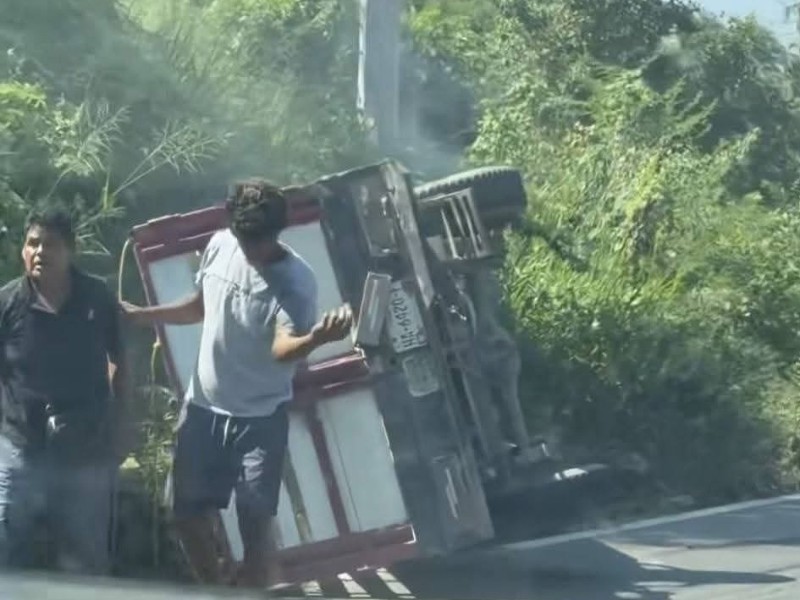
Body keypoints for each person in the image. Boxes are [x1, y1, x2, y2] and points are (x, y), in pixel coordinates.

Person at [122, 179, 352, 589]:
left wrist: (317, 338)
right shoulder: (221, 244)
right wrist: (143, 314)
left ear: (277, 233)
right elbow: (199, 305)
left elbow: (282, 350)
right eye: (245, 239)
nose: (251, 250)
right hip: (203, 408)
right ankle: (217, 587)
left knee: (255, 527)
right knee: (184, 514)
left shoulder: (295, 282)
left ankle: (254, 586)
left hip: (258, 421)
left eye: (260, 242)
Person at [0, 207, 129, 575]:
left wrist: (120, 427)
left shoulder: (96, 297)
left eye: (50, 244)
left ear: (70, 250)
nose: (40, 252)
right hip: (20, 450)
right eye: (32, 244)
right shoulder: (8, 304)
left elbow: (120, 360)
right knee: (8, 549)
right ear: (23, 251)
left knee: (86, 557)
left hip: (85, 451)